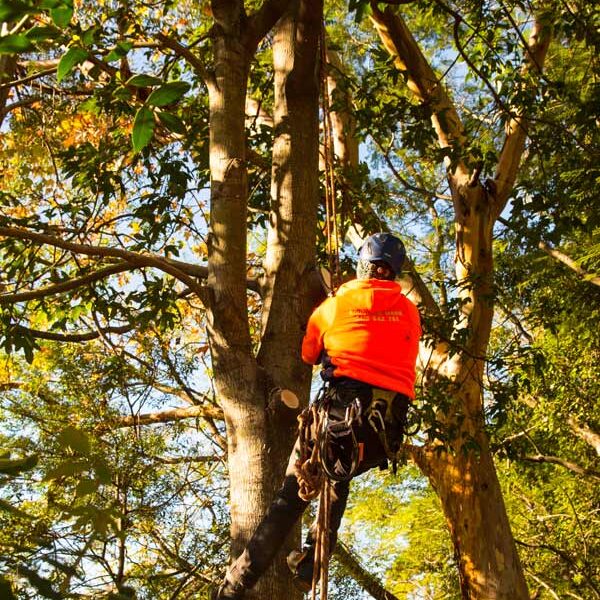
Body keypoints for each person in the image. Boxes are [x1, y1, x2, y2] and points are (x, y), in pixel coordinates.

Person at [212, 233, 421, 599]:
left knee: (292, 497)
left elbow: (309, 353)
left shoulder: (335, 305)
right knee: (340, 476)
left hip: (340, 416)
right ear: (394, 271)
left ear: (363, 264)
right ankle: (310, 566)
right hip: (384, 430)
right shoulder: (409, 310)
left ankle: (235, 585)